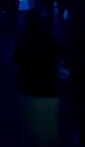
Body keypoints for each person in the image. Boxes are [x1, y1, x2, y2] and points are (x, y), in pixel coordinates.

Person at [13, 11, 60, 147]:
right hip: (51, 91)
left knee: (28, 128)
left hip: (27, 91)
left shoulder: (22, 43)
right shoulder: (52, 42)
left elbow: (14, 64)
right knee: (50, 127)